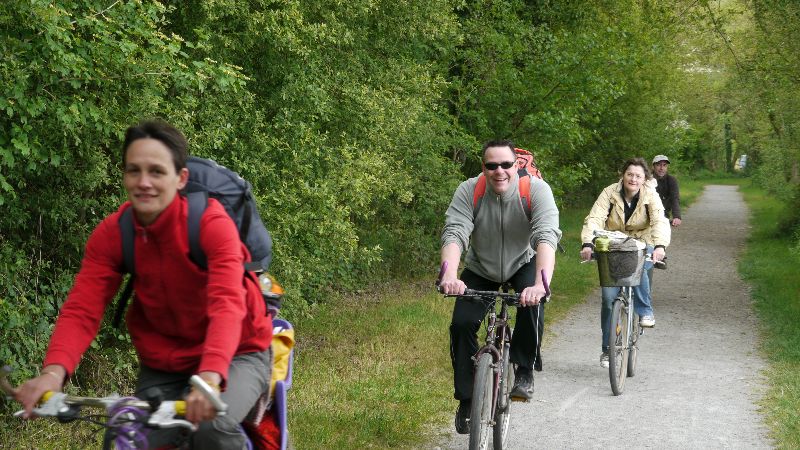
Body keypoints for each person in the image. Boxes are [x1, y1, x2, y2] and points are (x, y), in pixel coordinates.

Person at [12, 119, 273, 449]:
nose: (144, 182)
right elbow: (83, 308)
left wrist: (209, 377)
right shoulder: (114, 234)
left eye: (156, 171)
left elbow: (227, 305)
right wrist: (53, 373)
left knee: (210, 428)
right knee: (124, 436)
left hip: (239, 353)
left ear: (181, 179)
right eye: (133, 171)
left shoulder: (211, 225)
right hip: (167, 362)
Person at [439, 139, 561, 434]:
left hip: (523, 262)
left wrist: (540, 285)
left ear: (516, 165)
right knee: (461, 325)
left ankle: (523, 370)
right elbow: (455, 232)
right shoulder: (470, 190)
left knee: (533, 304)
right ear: (483, 167)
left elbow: (546, 235)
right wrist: (449, 275)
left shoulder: (535, 190)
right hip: (482, 267)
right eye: (491, 165)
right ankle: (468, 398)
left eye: (505, 164)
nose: (499, 171)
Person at [580, 157, 670, 368]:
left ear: (644, 178)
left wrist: (660, 246)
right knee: (608, 299)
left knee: (640, 272)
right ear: (623, 175)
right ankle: (607, 349)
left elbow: (659, 220)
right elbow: (595, 218)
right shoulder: (609, 193)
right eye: (629, 174)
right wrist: (587, 242)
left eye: (638, 176)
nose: (633, 179)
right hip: (614, 243)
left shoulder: (650, 195)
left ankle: (645, 311)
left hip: (642, 243)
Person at [652, 154, 682, 227]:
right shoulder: (646, 179)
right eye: (659, 165)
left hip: (664, 215)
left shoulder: (671, 180)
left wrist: (677, 216)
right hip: (646, 215)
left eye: (664, 165)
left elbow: (675, 199)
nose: (662, 168)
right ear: (653, 166)